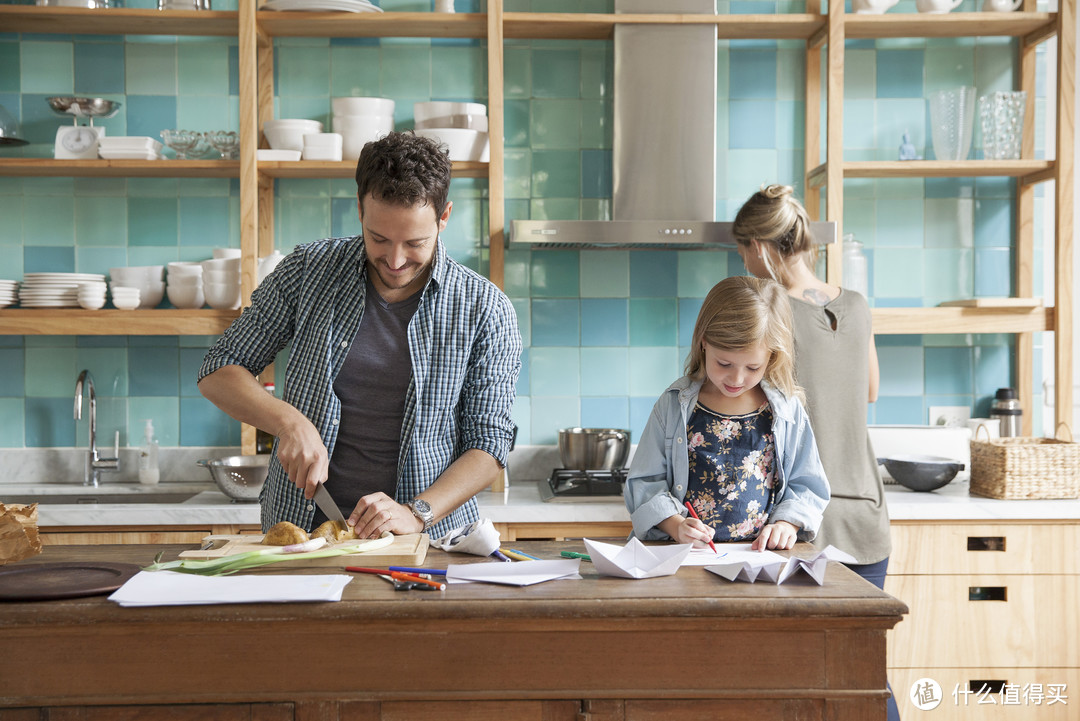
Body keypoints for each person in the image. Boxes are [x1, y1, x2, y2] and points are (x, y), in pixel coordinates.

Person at [198, 131, 521, 540]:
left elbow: (490, 444)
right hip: (302, 533)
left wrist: (417, 512)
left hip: (427, 541)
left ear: (444, 217)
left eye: (415, 242)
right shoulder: (307, 271)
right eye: (379, 238)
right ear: (360, 210)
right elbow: (218, 369)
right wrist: (288, 422)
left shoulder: (486, 309)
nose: (396, 259)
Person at [733, 184, 899, 721]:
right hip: (867, 512)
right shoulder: (855, 303)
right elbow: (870, 389)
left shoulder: (770, 306)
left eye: (742, 251)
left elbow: (747, 395)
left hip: (801, 517)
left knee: (789, 675)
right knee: (860, 675)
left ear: (759, 247)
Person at [624, 275, 830, 551]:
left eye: (752, 368)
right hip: (684, 556)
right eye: (724, 363)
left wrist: (786, 525)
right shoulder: (674, 405)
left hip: (758, 560)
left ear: (772, 356)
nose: (737, 378)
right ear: (704, 342)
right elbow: (644, 481)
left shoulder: (786, 409)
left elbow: (807, 484)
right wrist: (675, 525)